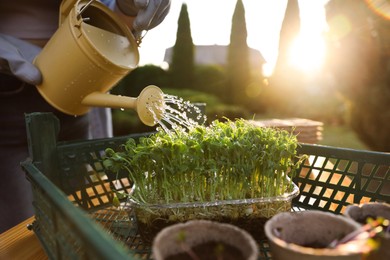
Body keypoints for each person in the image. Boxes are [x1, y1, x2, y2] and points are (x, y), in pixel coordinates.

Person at [0, 0, 170, 233]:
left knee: (81, 221)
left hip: (79, 87)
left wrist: (126, 7)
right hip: (9, 98)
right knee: (22, 232)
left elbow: (112, 21)